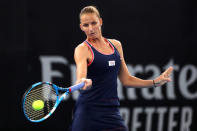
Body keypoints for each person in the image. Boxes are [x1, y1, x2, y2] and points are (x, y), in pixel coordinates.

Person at [69, 6, 173, 131]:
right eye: (86, 25)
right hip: (88, 113)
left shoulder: (116, 45)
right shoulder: (82, 49)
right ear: (81, 27)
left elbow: (126, 80)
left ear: (100, 22)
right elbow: (81, 76)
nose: (90, 29)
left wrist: (155, 82)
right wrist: (82, 81)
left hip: (111, 112)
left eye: (94, 23)